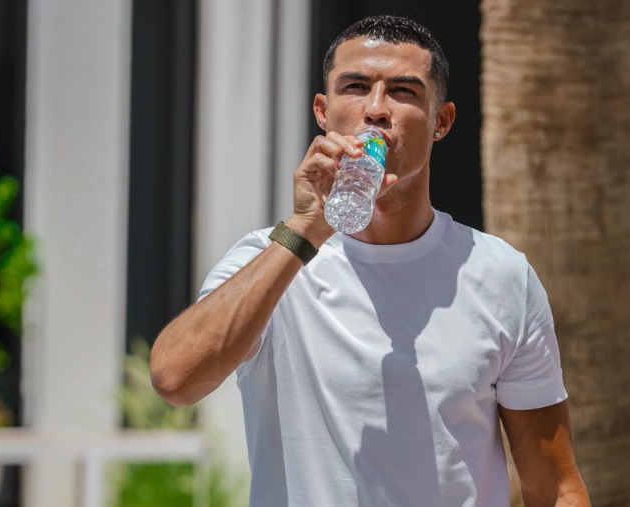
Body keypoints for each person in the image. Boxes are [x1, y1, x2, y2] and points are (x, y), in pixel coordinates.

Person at [150, 15, 590, 507]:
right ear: (323, 112)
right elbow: (175, 380)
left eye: (403, 91)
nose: (376, 109)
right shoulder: (269, 259)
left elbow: (555, 486)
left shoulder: (499, 274)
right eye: (355, 87)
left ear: (441, 121)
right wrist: (306, 230)